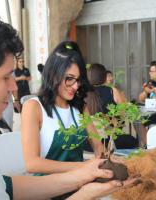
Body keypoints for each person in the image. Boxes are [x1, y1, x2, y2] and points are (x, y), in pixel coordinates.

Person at [0, 8, 138, 200]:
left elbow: (5, 185)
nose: (14, 88)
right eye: (6, 77)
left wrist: (81, 176)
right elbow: (29, 165)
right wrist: (83, 193)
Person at [21, 41, 105, 176]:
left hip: (79, 181)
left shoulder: (80, 107)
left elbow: (97, 145)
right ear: (53, 75)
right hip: (46, 187)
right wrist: (83, 166)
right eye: (69, 79)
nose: (75, 86)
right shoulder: (33, 107)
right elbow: (32, 164)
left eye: (78, 80)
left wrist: (105, 161)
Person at [84, 63, 137, 150]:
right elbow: (123, 114)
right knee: (134, 141)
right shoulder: (112, 91)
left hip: (87, 144)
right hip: (109, 142)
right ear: (104, 77)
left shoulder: (82, 93)